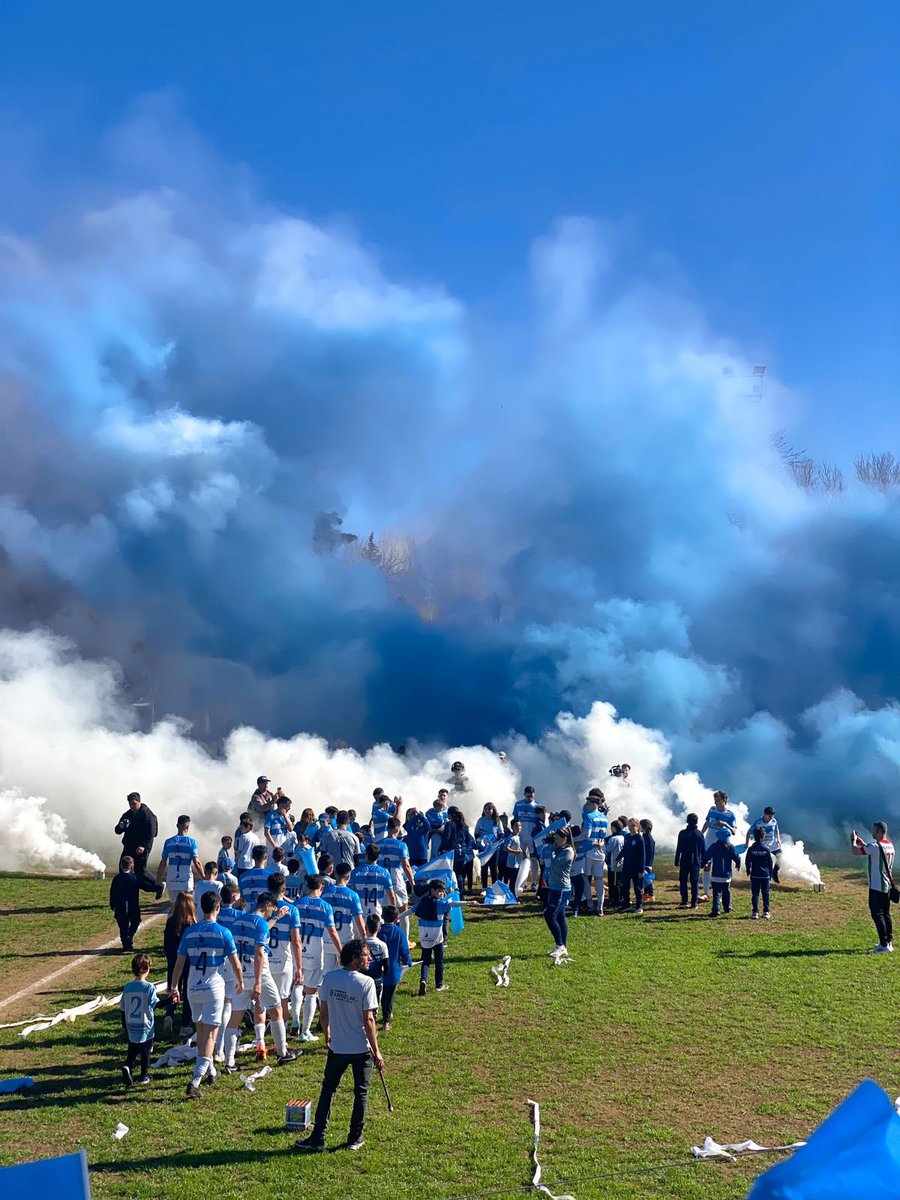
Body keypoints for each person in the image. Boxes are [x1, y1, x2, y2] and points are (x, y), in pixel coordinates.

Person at [294, 938, 385, 1154]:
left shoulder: (330, 978)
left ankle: (318, 1137)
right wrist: (377, 1050)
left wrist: (328, 1034)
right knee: (360, 1093)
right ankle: (355, 1137)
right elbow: (369, 1020)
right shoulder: (366, 983)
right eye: (365, 955)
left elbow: (323, 1012)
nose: (369, 958)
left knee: (328, 1090)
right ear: (354, 959)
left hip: (338, 1047)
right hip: (361, 1049)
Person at [170, 890, 243, 1097]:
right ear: (218, 908)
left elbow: (179, 963)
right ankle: (195, 1081)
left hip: (193, 988)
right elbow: (236, 964)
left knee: (202, 1032)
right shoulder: (223, 933)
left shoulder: (189, 932)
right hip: (213, 989)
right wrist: (240, 981)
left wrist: (174, 987)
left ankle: (210, 1071)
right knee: (211, 1035)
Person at [224, 890, 296, 1066]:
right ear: (267, 906)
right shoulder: (261, 925)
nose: (273, 911)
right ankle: (282, 1052)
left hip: (239, 974)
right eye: (272, 909)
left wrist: (276, 918)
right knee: (276, 1009)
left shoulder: (239, 920)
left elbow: (260, 929)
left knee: (235, 1016)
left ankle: (230, 1061)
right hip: (259, 974)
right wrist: (257, 983)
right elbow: (258, 953)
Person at [295, 874, 342, 1042]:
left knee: (297, 986)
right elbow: (332, 931)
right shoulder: (325, 907)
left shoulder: (297, 904)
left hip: (298, 950)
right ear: (321, 888)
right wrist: (340, 951)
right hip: (315, 951)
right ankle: (305, 1030)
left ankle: (294, 1021)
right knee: (311, 992)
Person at [265, 872, 303, 1035]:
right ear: (285, 889)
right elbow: (296, 941)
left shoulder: (261, 906)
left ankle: (262, 1034)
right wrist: (299, 967)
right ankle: (282, 1035)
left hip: (265, 960)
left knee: (263, 1001)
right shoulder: (291, 910)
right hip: (283, 961)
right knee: (282, 1000)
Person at [851, 822, 895, 953]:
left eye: (874, 831)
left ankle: (883, 944)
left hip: (876, 886)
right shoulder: (890, 846)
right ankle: (889, 942)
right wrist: (862, 843)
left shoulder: (875, 846)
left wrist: (853, 841)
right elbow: (874, 852)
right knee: (886, 914)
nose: (872, 833)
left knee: (877, 915)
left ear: (879, 832)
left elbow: (854, 852)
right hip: (886, 886)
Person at [413, 878, 461, 995]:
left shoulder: (423, 902)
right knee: (439, 961)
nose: (442, 893)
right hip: (437, 938)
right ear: (433, 890)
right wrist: (469, 903)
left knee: (425, 961)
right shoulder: (440, 904)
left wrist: (398, 917)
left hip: (424, 937)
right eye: (440, 891)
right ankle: (439, 984)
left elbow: (411, 910)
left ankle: (423, 980)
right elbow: (452, 904)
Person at [119, 952, 158, 1087]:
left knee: (133, 1049)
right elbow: (155, 1004)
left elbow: (123, 1007)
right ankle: (144, 1075)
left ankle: (127, 1066)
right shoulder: (149, 987)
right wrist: (171, 1001)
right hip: (145, 1025)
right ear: (146, 969)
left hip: (131, 1024)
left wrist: (124, 1024)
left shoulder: (128, 987)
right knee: (146, 1051)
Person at [114, 792, 160, 895]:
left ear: (139, 802)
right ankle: (125, 892)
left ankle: (159, 885)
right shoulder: (127, 814)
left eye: (134, 803)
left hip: (142, 848)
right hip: (129, 846)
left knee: (140, 870)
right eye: (130, 804)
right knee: (123, 867)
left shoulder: (147, 814)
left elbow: (151, 833)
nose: (132, 806)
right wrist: (120, 827)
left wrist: (144, 846)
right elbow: (117, 830)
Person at [163, 892, 196, 1035]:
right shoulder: (192, 923)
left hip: (172, 961)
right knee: (187, 993)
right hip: (188, 963)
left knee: (173, 988)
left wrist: (170, 959)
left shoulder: (171, 921)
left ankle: (169, 1014)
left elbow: (166, 944)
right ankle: (185, 1024)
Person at [156, 815, 203, 911]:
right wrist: (204, 877)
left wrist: (158, 878)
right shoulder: (191, 842)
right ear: (188, 827)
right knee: (187, 908)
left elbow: (163, 862)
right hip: (185, 881)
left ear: (177, 825)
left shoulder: (168, 842)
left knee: (174, 908)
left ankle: (173, 925)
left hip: (172, 880)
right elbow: (196, 862)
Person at [543, 827, 575, 958]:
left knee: (549, 915)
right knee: (560, 916)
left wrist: (551, 848)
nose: (554, 841)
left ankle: (560, 945)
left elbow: (555, 863)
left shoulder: (568, 852)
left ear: (564, 839)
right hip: (554, 886)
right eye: (554, 838)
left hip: (562, 889)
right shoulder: (559, 849)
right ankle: (563, 947)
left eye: (557, 838)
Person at [377, 905, 410, 1031]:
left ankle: (371, 1016)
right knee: (389, 996)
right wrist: (408, 961)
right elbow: (404, 949)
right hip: (393, 969)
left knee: (377, 995)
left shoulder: (378, 931)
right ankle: (386, 1021)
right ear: (397, 918)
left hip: (378, 969)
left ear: (382, 917)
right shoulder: (399, 932)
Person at [701, 791, 737, 900]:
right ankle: (706, 893)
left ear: (724, 800)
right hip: (708, 842)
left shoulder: (730, 814)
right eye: (715, 800)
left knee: (720, 869)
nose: (715, 802)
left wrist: (725, 824)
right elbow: (707, 823)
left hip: (722, 845)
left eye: (718, 800)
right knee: (706, 867)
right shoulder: (712, 809)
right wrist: (700, 835)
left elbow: (734, 831)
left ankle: (720, 895)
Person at [350, 844, 397, 919]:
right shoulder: (384, 873)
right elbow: (391, 896)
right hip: (376, 912)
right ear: (378, 856)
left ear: (366, 854)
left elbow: (351, 894)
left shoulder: (355, 872)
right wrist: (393, 914)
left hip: (359, 913)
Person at [703, 829, 741, 917]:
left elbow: (706, 856)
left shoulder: (714, 846)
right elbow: (737, 857)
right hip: (726, 875)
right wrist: (738, 865)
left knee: (716, 893)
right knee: (726, 892)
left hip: (716, 875)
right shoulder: (730, 847)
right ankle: (727, 907)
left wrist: (702, 864)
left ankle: (716, 909)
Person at [109, 855, 141, 950]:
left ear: (121, 865)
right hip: (133, 905)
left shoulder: (117, 878)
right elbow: (145, 885)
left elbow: (112, 892)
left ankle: (125, 943)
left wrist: (112, 904)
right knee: (135, 921)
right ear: (132, 866)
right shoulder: (135, 878)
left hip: (120, 906)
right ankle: (129, 936)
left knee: (123, 925)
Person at [674, 814, 705, 908]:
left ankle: (684, 901)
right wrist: (703, 862)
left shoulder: (682, 833)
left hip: (684, 860)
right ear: (697, 822)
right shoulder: (699, 834)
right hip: (696, 861)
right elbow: (703, 849)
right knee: (694, 882)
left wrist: (676, 860)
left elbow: (679, 848)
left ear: (687, 821)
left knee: (683, 880)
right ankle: (694, 902)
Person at [745, 826, 775, 919]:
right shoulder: (766, 849)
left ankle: (755, 912)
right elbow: (770, 863)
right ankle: (766, 912)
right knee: (765, 893)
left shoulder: (751, 849)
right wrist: (771, 873)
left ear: (754, 836)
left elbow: (747, 861)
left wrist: (748, 870)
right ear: (763, 836)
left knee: (755, 894)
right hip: (765, 875)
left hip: (755, 875)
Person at [619, 818, 646, 914]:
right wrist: (618, 857)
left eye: (633, 826)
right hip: (627, 866)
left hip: (636, 867)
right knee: (624, 886)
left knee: (637, 887)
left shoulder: (639, 839)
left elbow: (642, 855)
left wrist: (641, 870)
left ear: (637, 826)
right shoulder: (626, 837)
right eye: (629, 826)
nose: (630, 828)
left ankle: (639, 906)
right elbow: (624, 850)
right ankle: (626, 904)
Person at [749, 806, 783, 883]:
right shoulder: (758, 822)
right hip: (762, 845)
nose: (771, 817)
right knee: (764, 862)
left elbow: (777, 830)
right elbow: (749, 832)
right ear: (764, 814)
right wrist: (747, 843)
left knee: (781, 856)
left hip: (772, 844)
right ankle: (760, 877)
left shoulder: (774, 821)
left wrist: (778, 840)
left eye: (772, 816)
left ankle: (775, 873)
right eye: (769, 816)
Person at [474, 803, 504, 888]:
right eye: (485, 809)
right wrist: (481, 842)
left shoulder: (497, 821)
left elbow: (501, 833)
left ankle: (495, 887)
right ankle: (484, 887)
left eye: (489, 809)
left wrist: (496, 842)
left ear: (493, 810)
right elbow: (476, 833)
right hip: (483, 848)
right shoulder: (480, 820)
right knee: (484, 867)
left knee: (494, 868)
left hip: (494, 848)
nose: (487, 811)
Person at [363, 912, 389, 1007]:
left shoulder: (360, 943)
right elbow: (387, 966)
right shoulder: (383, 945)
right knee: (374, 1005)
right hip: (377, 980)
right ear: (379, 929)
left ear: (366, 928)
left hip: (361, 980)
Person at [240, 844, 274, 911]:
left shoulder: (243, 877)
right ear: (266, 857)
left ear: (252, 857)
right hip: (264, 914)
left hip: (248, 914)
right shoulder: (271, 877)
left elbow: (242, 898)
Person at [605, 821, 624, 909]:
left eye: (611, 827)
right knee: (619, 882)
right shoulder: (623, 837)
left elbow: (607, 849)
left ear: (615, 828)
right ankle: (620, 898)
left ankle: (615, 900)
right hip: (621, 863)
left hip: (614, 864)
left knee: (613, 883)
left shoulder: (613, 839)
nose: (610, 829)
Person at [425, 790, 449, 860]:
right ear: (438, 796)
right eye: (441, 795)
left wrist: (442, 828)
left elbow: (449, 823)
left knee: (444, 853)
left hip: (445, 834)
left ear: (447, 797)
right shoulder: (433, 810)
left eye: (444, 795)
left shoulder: (448, 810)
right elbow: (427, 818)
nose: (442, 797)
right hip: (435, 834)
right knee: (435, 851)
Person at [504, 819, 524, 893]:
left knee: (517, 881)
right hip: (512, 864)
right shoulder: (511, 837)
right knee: (513, 882)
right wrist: (515, 852)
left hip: (518, 863)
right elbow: (505, 848)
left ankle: (515, 895)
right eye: (516, 825)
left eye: (519, 825)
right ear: (512, 827)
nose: (518, 827)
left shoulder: (520, 836)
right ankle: (513, 897)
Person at [640, 818, 656, 903]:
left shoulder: (647, 838)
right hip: (648, 862)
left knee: (648, 880)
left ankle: (651, 894)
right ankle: (646, 894)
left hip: (647, 862)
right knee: (646, 879)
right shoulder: (646, 836)